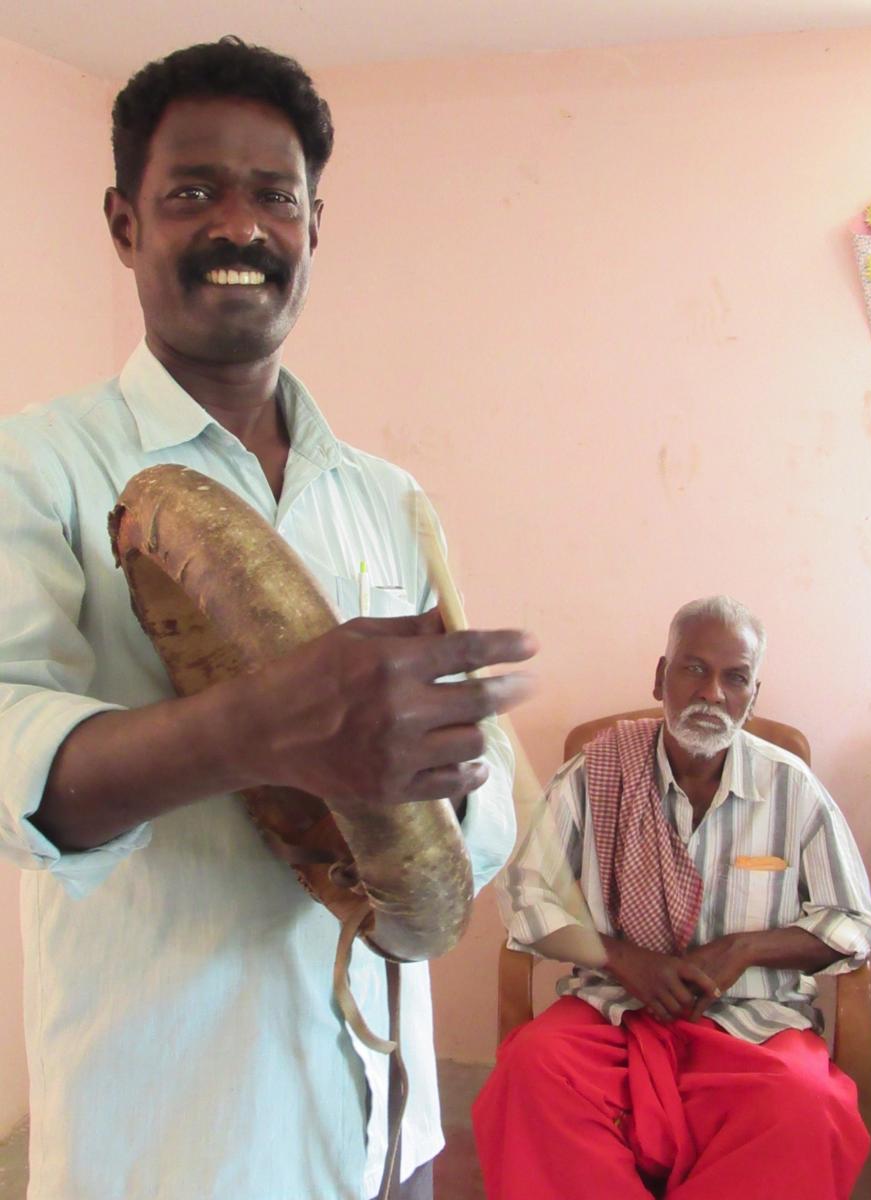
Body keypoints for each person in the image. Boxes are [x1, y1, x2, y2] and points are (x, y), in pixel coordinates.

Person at [0, 38, 537, 1200]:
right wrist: (252, 733)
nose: (240, 226)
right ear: (123, 223)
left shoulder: (388, 497)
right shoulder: (36, 465)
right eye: (193, 192)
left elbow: (486, 770)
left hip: (385, 1131)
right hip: (171, 1146)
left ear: (313, 227)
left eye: (275, 198)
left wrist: (449, 783)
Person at [473, 595, 871, 1200]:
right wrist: (621, 958)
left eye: (734, 678)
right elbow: (525, 894)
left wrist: (745, 949)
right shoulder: (597, 772)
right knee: (533, 1072)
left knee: (805, 1102)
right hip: (613, 1012)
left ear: (752, 696)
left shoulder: (791, 789)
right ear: (661, 676)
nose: (712, 693)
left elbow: (853, 923)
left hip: (754, 1025)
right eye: (694, 668)